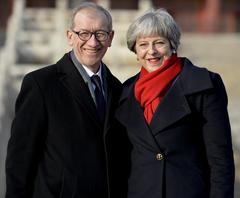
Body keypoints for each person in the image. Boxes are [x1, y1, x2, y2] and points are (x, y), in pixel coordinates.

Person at [5, 2, 123, 198]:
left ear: (110, 38)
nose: (93, 42)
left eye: (100, 34)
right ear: (70, 36)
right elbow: (20, 159)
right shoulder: (41, 84)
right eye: (83, 34)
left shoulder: (118, 89)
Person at [115, 8, 235, 198]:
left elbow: (220, 159)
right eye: (143, 44)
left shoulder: (203, 84)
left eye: (159, 43)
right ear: (135, 51)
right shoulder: (125, 92)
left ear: (173, 45)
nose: (151, 51)